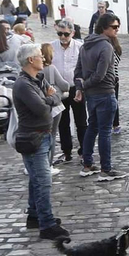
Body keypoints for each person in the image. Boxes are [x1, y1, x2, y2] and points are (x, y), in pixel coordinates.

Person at [13, 43, 71, 241]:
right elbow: (41, 109)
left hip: (44, 135)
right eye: (39, 56)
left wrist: (50, 97)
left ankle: (34, 215)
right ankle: (47, 224)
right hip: (33, 138)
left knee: (35, 178)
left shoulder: (38, 78)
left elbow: (57, 94)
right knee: (43, 181)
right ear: (31, 60)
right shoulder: (23, 84)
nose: (43, 58)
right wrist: (51, 98)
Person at [74, 12, 127, 181]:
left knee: (93, 127)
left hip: (91, 95)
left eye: (118, 27)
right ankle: (106, 169)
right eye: (114, 27)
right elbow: (100, 75)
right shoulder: (106, 46)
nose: (117, 30)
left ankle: (87, 164)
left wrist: (81, 86)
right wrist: (84, 85)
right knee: (104, 131)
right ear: (104, 27)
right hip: (104, 93)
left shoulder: (85, 45)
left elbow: (78, 72)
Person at [50, 20, 87, 165]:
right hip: (58, 89)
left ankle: (84, 150)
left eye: (66, 34)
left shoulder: (79, 47)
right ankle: (66, 151)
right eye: (60, 33)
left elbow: (84, 68)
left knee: (81, 121)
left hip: (76, 88)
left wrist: (81, 87)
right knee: (62, 121)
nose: (63, 37)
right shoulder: (51, 47)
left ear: (72, 33)